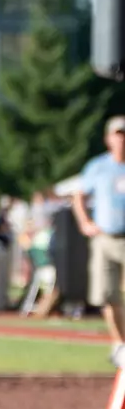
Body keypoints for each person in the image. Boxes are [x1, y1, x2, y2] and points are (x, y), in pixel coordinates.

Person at [73, 116, 125, 362]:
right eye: (118, 134)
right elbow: (79, 195)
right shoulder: (98, 167)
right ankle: (119, 344)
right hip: (105, 238)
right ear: (108, 138)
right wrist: (85, 222)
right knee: (107, 294)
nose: (122, 139)